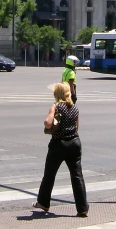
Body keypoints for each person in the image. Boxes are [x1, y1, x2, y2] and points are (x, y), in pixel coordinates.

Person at [33, 82, 88, 217]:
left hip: (59, 144)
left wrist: (51, 125)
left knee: (50, 174)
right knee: (77, 175)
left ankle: (43, 202)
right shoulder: (74, 108)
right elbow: (77, 127)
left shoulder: (56, 106)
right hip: (74, 143)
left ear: (56, 94)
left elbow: (48, 122)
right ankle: (82, 208)